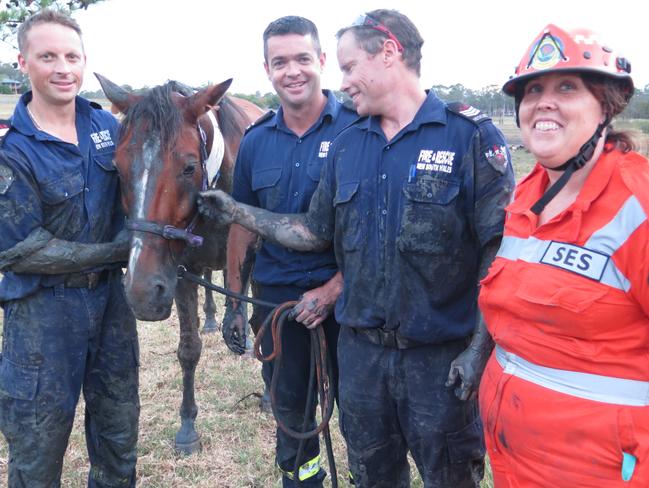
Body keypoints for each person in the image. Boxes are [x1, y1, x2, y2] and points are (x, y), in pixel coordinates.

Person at [199, 9, 514, 487]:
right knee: (369, 475)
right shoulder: (349, 145)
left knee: (449, 477)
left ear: (389, 53)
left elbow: (500, 254)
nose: (342, 83)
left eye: (347, 68)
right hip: (362, 356)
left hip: (438, 361)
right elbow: (314, 232)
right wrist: (238, 212)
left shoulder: (468, 136)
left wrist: (477, 351)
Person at [478, 24, 649, 487]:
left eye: (567, 87)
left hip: (605, 470)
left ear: (605, 106)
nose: (544, 102)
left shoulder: (639, 205)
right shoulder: (528, 196)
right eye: (533, 90)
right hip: (516, 459)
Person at [0, 10, 138, 488]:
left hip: (111, 307)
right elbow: (22, 250)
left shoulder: (109, 128)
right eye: (48, 56)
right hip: (42, 314)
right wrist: (114, 252)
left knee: (119, 439)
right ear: (23, 62)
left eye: (72, 56)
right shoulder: (12, 149)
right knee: (37, 451)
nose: (63, 68)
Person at [221, 15, 357, 488]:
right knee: (292, 422)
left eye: (302, 58)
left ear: (321, 60)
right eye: (280, 62)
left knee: (362, 419)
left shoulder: (359, 130)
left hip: (353, 305)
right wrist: (234, 303)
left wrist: (334, 289)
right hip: (277, 307)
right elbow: (242, 224)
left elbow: (376, 234)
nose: (292, 70)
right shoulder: (256, 142)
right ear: (267, 69)